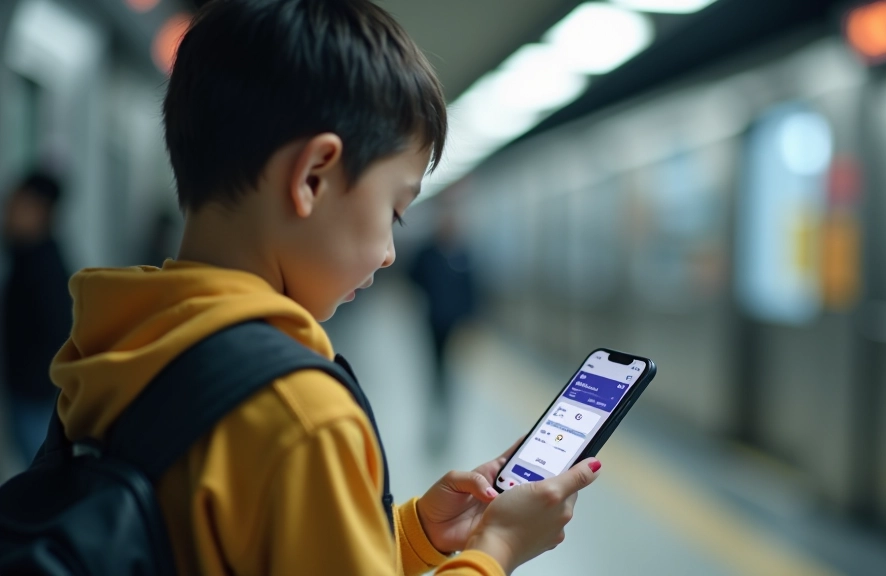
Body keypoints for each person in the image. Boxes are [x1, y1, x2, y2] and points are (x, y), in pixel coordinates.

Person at [47, 1, 601, 575]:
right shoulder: (303, 416)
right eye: (394, 210)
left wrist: (412, 533)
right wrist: (498, 548)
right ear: (313, 177)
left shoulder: (116, 340)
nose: (389, 254)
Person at [2, 171, 72, 465]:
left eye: (18, 203)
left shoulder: (44, 268)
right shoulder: (25, 257)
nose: (8, 211)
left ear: (40, 211)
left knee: (37, 479)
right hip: (26, 392)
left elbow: (58, 332)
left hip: (36, 396)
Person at [410, 209, 476, 449]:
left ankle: (447, 418)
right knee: (434, 370)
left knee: (451, 372)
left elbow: (473, 290)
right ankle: (434, 417)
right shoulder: (428, 253)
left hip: (455, 325)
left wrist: (470, 320)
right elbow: (413, 276)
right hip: (432, 322)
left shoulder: (463, 254)